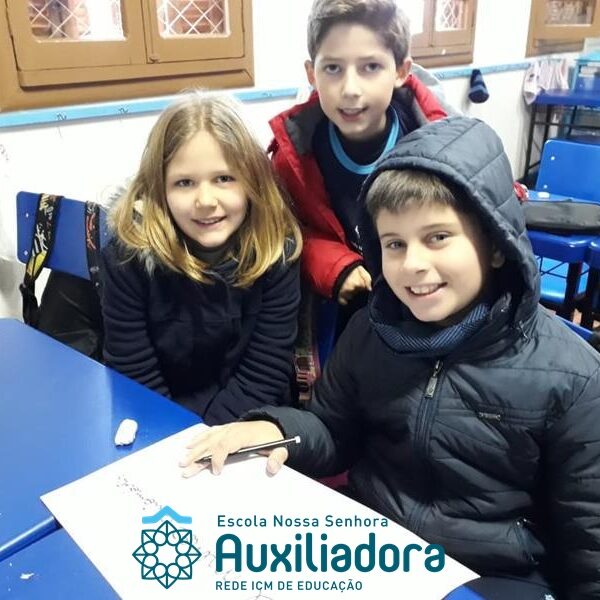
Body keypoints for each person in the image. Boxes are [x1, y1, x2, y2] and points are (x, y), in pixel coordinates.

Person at [180, 116, 600, 598]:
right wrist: (279, 430)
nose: (413, 264)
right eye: (395, 244)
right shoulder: (371, 331)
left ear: (495, 245)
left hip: (494, 573)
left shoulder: (574, 377)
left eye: (438, 237)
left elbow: (589, 538)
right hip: (374, 545)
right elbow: (333, 431)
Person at [100, 92, 303, 426]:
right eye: (184, 183)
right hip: (158, 420)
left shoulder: (277, 252)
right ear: (159, 188)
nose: (205, 201)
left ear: (252, 181)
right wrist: (179, 435)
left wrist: (210, 437)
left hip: (247, 420)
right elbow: (132, 368)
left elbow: (266, 369)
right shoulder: (126, 258)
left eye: (224, 178)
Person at [268, 0, 452, 319]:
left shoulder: (442, 141)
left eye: (371, 67)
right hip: (353, 309)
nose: (350, 89)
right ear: (312, 74)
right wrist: (334, 264)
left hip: (430, 301)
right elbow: (287, 231)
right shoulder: (294, 157)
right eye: (333, 68)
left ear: (401, 71)